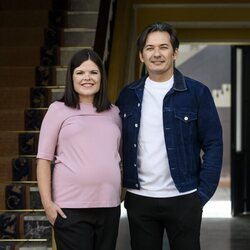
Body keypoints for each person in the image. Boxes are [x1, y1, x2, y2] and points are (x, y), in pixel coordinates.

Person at [116, 22, 223, 250]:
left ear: (175, 52)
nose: (156, 54)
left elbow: (213, 143)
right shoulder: (127, 96)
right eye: (149, 48)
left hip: (184, 197)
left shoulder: (197, 93)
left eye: (163, 47)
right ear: (141, 55)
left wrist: (202, 194)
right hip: (139, 198)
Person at [36, 48, 122, 250]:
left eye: (94, 72)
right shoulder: (58, 110)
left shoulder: (114, 112)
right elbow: (43, 160)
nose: (87, 78)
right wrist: (47, 204)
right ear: (71, 77)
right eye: (80, 72)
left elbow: (118, 157)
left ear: (102, 77)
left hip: (109, 207)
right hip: (70, 208)